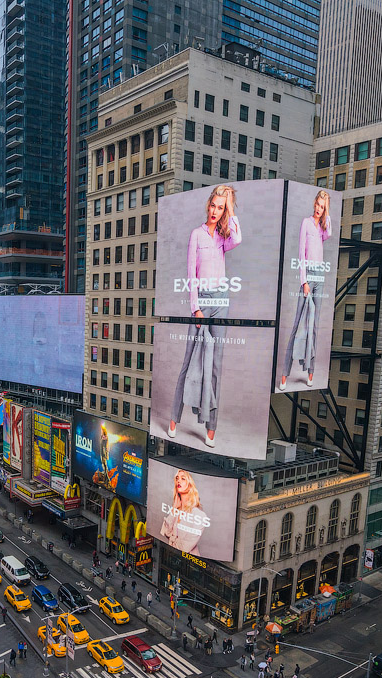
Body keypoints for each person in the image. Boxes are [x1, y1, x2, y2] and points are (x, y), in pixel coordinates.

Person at [167, 185, 241, 449]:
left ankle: (211, 426)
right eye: (214, 205)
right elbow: (191, 274)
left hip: (221, 301)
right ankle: (174, 418)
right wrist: (195, 308)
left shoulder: (223, 236)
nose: (215, 211)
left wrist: (231, 209)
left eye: (220, 208)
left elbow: (238, 239)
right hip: (202, 304)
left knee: (215, 366)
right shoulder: (196, 235)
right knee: (189, 360)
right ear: (208, 205)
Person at [279, 189, 333, 390]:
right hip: (308, 276)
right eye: (318, 205)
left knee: (314, 327)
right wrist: (304, 281)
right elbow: (301, 253)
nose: (319, 209)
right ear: (313, 205)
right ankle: (285, 374)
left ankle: (310, 371)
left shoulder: (321, 227)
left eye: (322, 206)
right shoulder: (306, 223)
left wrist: (328, 211)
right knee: (297, 325)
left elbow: (329, 233)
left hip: (320, 277)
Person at [157, 470, 211, 554]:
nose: (178, 481)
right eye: (177, 478)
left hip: (190, 562)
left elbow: (185, 547)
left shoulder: (199, 515)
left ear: (190, 485)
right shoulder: (176, 510)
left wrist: (172, 539)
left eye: (183, 478)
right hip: (171, 555)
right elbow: (165, 532)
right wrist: (174, 508)